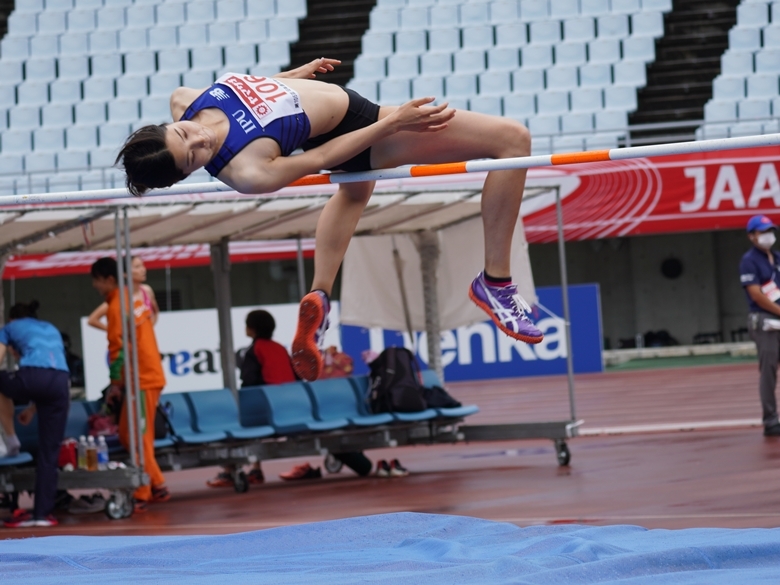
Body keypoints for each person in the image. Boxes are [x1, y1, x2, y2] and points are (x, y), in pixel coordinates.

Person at [116, 58, 543, 381]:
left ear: (171, 123)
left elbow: (257, 94)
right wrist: (392, 123)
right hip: (360, 126)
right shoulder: (248, 171)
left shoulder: (185, 100)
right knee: (513, 141)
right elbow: (322, 158)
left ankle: (320, 297)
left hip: (338, 115)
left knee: (355, 191)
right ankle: (496, 282)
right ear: (188, 173)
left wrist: (296, 75)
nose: (200, 139)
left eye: (185, 134)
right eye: (194, 158)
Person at [90, 257, 170, 509]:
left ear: (109, 279)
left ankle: (143, 490)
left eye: (97, 280)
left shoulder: (117, 305)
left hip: (143, 379)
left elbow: (117, 347)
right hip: (144, 376)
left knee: (137, 436)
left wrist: (116, 383)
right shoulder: (130, 299)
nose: (95, 286)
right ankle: (156, 483)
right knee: (130, 433)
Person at [207, 309, 297, 488]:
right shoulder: (280, 348)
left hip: (268, 409)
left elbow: (249, 382)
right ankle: (254, 468)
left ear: (252, 329)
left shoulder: (254, 350)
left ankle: (229, 471)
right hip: (292, 406)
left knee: (232, 420)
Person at [0, 301, 70, 528]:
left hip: (33, 377)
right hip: (61, 383)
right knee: (49, 454)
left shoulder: (8, 328)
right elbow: (49, 373)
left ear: (13, 319)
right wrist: (31, 409)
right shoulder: (49, 327)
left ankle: (10, 439)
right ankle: (42, 514)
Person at [740, 215, 780, 437]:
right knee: (769, 371)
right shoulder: (749, 261)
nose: (768, 236)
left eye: (770, 231)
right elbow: (756, 294)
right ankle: (771, 420)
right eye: (762, 231)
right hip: (765, 322)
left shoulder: (777, 257)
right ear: (752, 236)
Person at [88, 257, 159, 332]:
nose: (143, 270)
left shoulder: (147, 290)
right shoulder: (121, 297)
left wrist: (147, 328)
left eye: (142, 265)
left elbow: (155, 312)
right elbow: (92, 319)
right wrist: (116, 332)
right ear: (124, 273)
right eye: (137, 267)